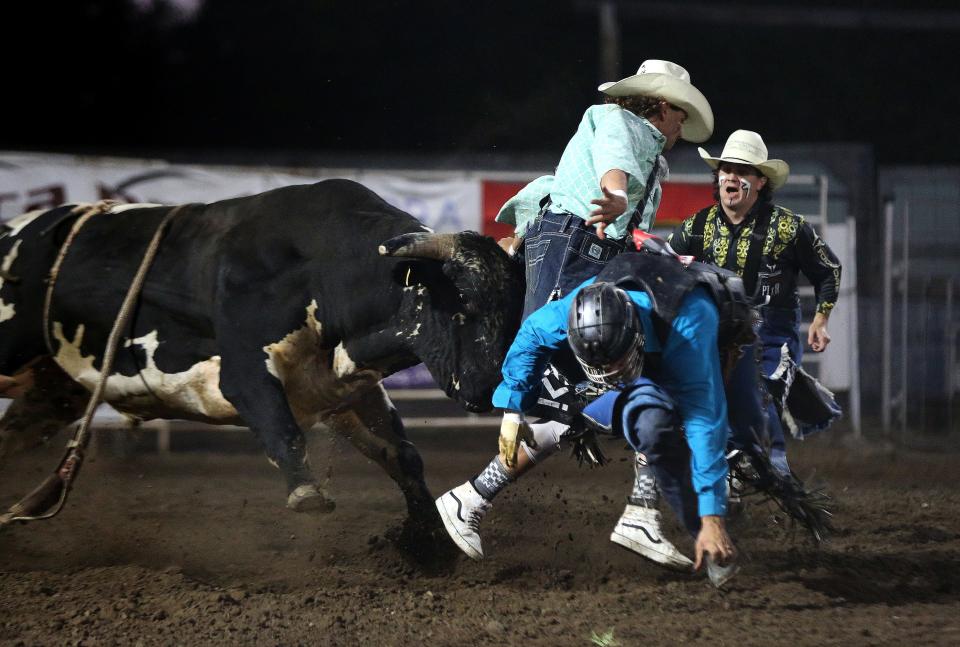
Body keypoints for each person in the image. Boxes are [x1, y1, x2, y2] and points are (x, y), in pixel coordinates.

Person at [447, 59, 714, 569]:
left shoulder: (648, 151)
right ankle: (636, 510)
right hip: (578, 249)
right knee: (608, 375)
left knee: (596, 387)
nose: (682, 127)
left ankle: (475, 499)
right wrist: (614, 195)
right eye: (681, 116)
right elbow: (613, 170)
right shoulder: (621, 124)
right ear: (663, 107)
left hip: (591, 251)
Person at [436, 249, 741, 580]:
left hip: (693, 333)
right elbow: (534, 333)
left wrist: (712, 518)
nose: (608, 376)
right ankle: (642, 512)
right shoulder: (569, 313)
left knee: (645, 421)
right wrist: (513, 412)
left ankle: (651, 513)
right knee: (618, 422)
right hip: (598, 337)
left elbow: (704, 419)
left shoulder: (687, 325)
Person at [668, 130, 842, 474]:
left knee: (759, 390)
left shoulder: (789, 228)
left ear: (760, 182)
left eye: (743, 170)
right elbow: (667, 268)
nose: (732, 176)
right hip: (714, 335)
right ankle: (728, 474)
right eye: (726, 169)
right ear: (717, 177)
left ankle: (772, 471)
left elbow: (828, 270)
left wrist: (821, 319)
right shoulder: (696, 227)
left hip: (770, 337)